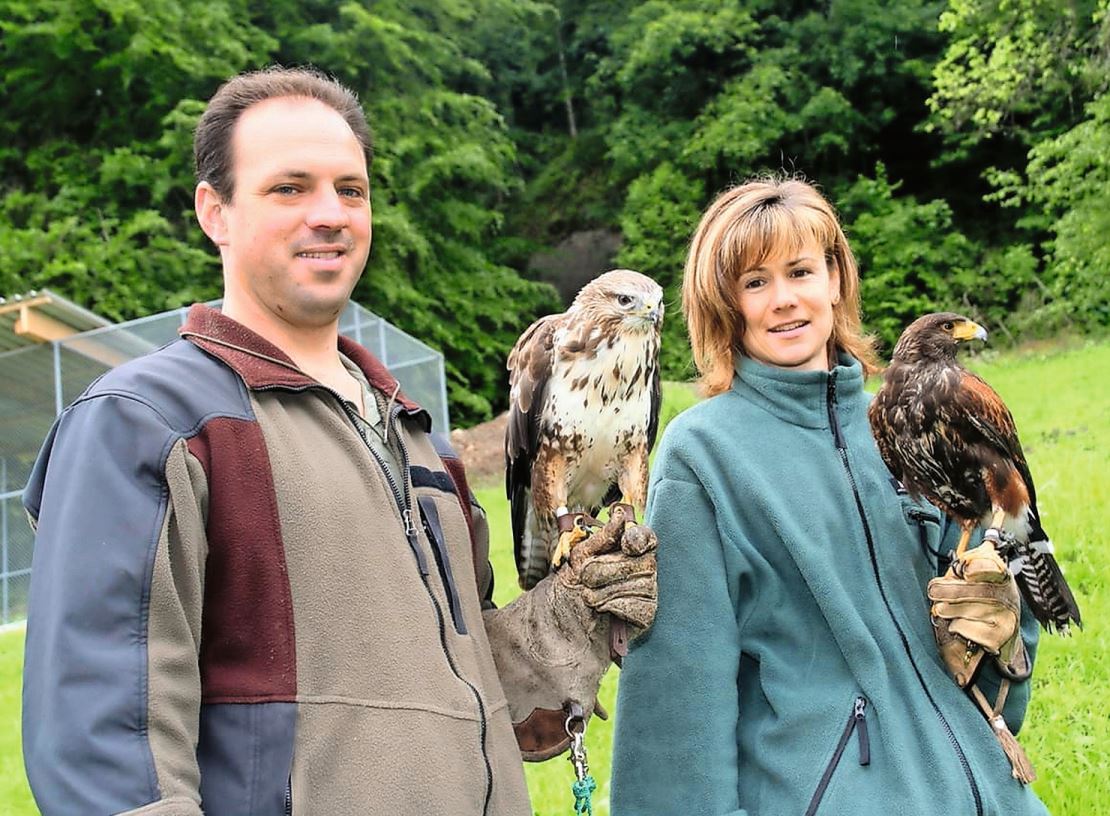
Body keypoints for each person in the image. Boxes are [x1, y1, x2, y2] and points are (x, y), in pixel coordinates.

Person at [21, 66, 657, 816]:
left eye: (350, 190)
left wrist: (570, 616)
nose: (329, 213)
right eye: (289, 188)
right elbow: (108, 754)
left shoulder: (423, 445)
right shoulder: (147, 422)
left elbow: (473, 697)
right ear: (214, 212)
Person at [609, 178, 1047, 815]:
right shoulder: (703, 454)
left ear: (836, 278)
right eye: (755, 282)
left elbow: (999, 691)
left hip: (994, 796)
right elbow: (677, 700)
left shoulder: (908, 427)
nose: (784, 299)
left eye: (801, 271)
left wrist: (1007, 632)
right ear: (726, 303)